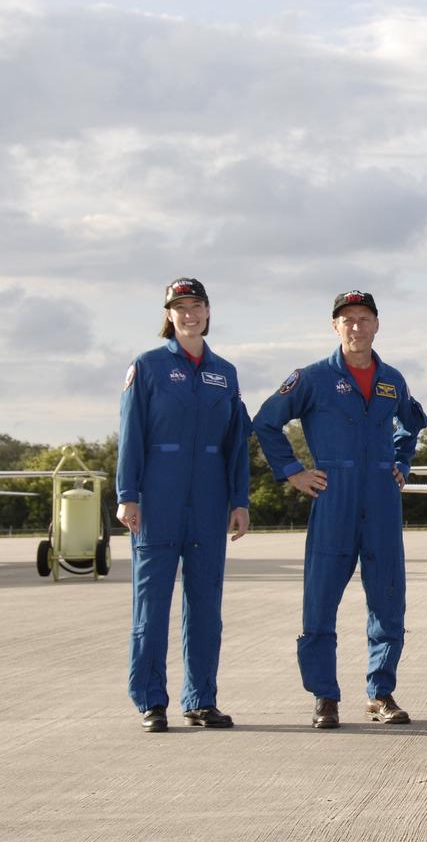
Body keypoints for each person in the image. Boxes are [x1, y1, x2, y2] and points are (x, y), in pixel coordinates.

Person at [253, 291, 427, 729]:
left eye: (364, 318)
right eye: (347, 319)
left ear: (376, 325)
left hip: (381, 499)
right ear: (335, 326)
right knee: (320, 599)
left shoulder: (391, 380)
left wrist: (402, 461)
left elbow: (412, 423)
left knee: (388, 597)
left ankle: (380, 693)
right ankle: (324, 696)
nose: (356, 327)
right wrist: (293, 471)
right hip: (334, 496)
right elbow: (266, 421)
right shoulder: (312, 378)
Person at [117, 278, 251, 733]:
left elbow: (236, 444)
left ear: (208, 312)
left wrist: (239, 500)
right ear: (169, 315)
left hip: (210, 502)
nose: (190, 314)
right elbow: (131, 434)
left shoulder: (225, 373)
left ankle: (201, 700)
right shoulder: (148, 366)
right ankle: (151, 701)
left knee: (206, 607)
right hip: (158, 501)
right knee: (151, 607)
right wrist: (127, 495)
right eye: (180, 307)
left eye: (197, 305)